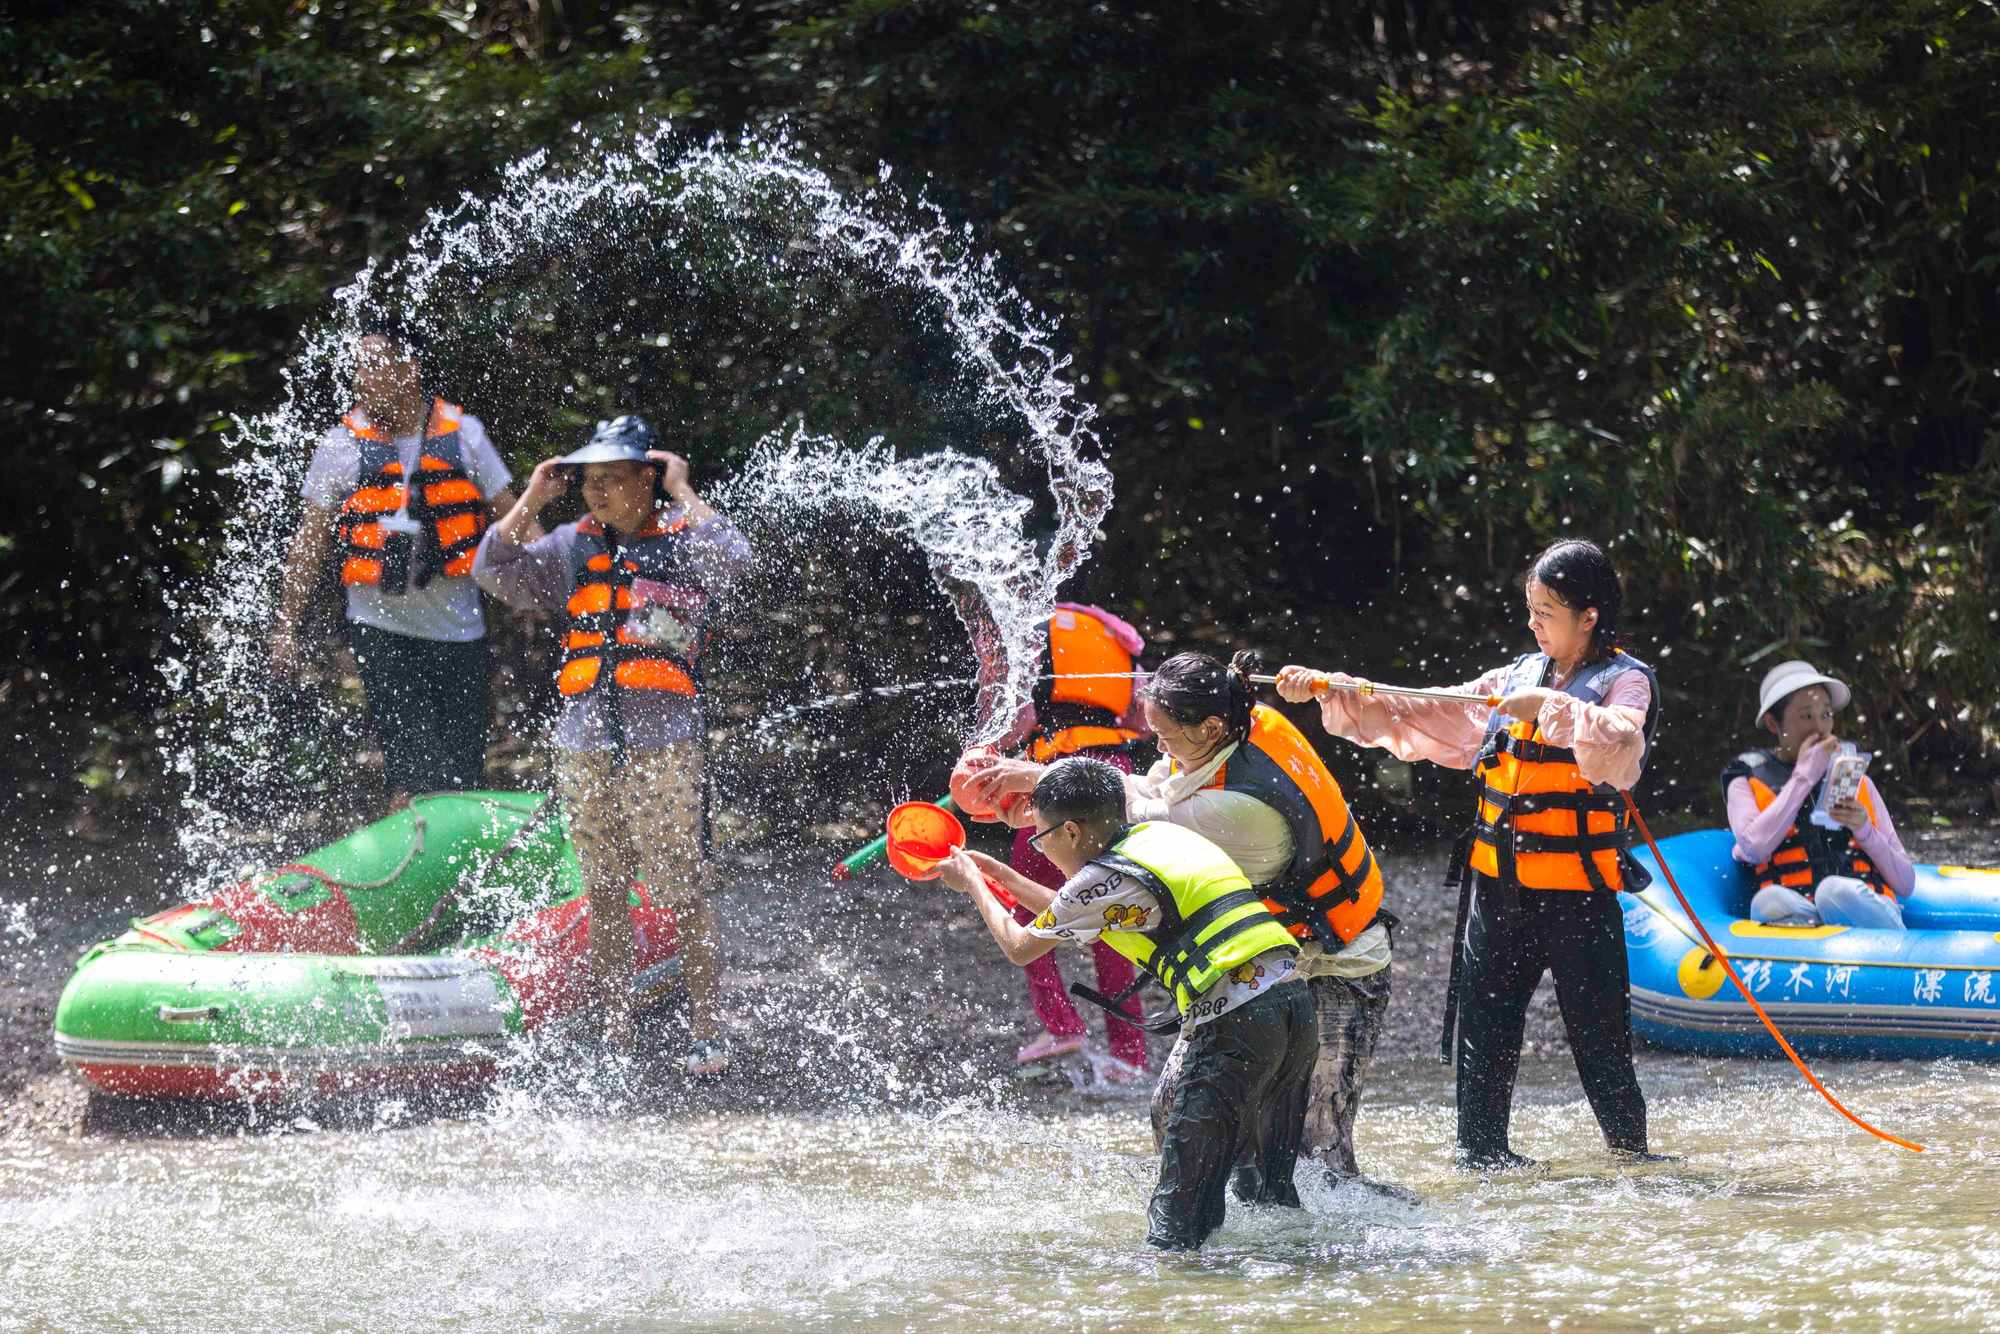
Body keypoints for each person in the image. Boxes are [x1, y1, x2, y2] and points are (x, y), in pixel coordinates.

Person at [1277, 538, 1662, 1171]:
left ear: (1588, 616)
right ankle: (1483, 1160)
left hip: (1579, 896)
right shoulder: (1514, 677)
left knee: (1600, 1040)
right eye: (1531, 609)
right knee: (1484, 1030)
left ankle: (1634, 1161)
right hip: (1497, 890)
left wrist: (1552, 708)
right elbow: (1427, 707)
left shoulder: (1626, 681)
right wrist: (1338, 689)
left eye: (1546, 612)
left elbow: (1621, 743)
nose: (1533, 623)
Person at [960, 650, 1399, 1193]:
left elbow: (1134, 816)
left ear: (1211, 727)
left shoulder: (1235, 811)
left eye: (1167, 737)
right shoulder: (1242, 722)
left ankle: (1356, 1237)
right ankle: (1227, 1220)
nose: (1160, 747)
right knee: (1175, 1114)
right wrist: (1045, 792)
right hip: (1258, 969)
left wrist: (1042, 795)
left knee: (1319, 1150)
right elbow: (1147, 791)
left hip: (1337, 963)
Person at [928, 757, 1315, 1251]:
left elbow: (1022, 945)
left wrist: (974, 885)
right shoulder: (1158, 838)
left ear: (1071, 831)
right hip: (1293, 1007)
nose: (1042, 848)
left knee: (1177, 1229)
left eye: (1042, 838)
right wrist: (999, 874)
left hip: (1237, 1022)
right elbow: (1077, 908)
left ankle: (1181, 1291)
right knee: (1268, 1198)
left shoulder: (1098, 880)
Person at [472, 416, 751, 1073]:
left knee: (683, 890)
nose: (595, 491)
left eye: (611, 478)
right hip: (585, 743)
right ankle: (615, 1031)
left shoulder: (686, 538)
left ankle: (706, 1030)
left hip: (665, 744)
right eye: (588, 480)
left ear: (646, 479)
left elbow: (736, 562)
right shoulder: (571, 544)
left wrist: (682, 488)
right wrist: (532, 497)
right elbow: (491, 569)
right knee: (604, 890)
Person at [272, 321, 521, 806]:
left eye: (372, 365)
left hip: (459, 630)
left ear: (409, 370)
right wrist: (286, 626)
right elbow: (308, 543)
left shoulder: (465, 436)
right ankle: (411, 836)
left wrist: (556, 585)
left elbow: (513, 520)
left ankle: (456, 851)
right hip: (380, 630)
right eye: (357, 367)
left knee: (463, 772)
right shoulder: (340, 445)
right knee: (411, 772)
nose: (360, 377)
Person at [964, 604, 1151, 1077]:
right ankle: (1128, 1056)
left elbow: (1018, 722)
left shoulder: (1019, 628)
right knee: (1112, 908)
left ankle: (1062, 1026)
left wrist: (991, 750)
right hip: (1114, 776)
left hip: (1055, 780)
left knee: (1025, 911)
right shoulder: (1114, 632)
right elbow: (1141, 721)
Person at [1722, 660, 1914, 928]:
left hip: (1866, 919)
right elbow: (1754, 848)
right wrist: (1804, 776)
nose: (1820, 728)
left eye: (1826, 714)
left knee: (1834, 892)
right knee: (1768, 900)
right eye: (1806, 716)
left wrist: (1864, 829)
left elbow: (1906, 883)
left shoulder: (1856, 780)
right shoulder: (1744, 778)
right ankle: (1811, 931)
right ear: (1773, 723)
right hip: (1802, 917)